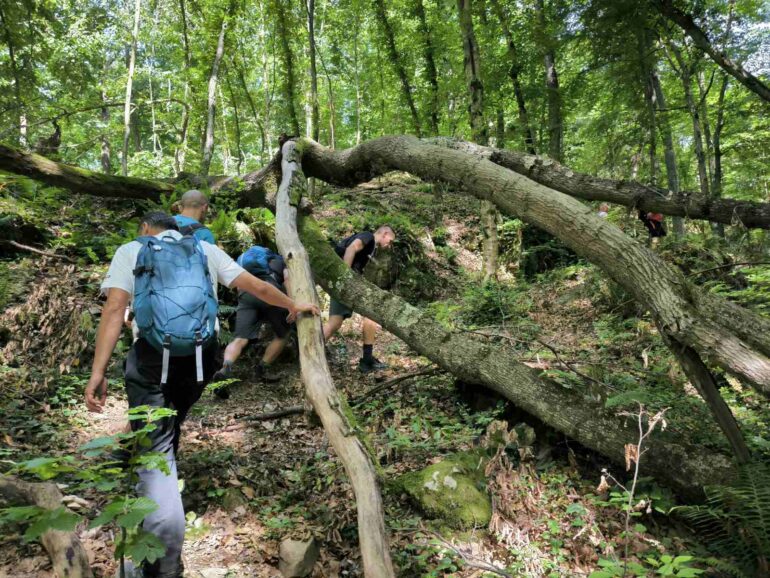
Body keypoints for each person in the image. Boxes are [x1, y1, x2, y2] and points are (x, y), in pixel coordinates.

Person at [84, 211, 318, 578]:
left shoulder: (132, 249)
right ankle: (162, 490)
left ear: (147, 228)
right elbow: (254, 286)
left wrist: (97, 372)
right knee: (169, 431)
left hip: (151, 362)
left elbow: (115, 308)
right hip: (199, 360)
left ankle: (162, 565)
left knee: (154, 455)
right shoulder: (205, 250)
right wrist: (293, 305)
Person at [212, 246, 292, 399]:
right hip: (270, 293)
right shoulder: (278, 260)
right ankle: (262, 369)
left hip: (245, 294)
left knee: (240, 339)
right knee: (283, 334)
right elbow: (287, 280)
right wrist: (291, 304)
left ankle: (226, 367)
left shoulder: (243, 260)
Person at [322, 225, 396, 373]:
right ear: (385, 233)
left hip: (338, 281)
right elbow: (351, 248)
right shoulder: (368, 236)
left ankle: (309, 350)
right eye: (390, 240)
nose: (390, 244)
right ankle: (367, 360)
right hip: (342, 281)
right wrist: (345, 275)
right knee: (371, 314)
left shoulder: (371, 247)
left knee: (335, 322)